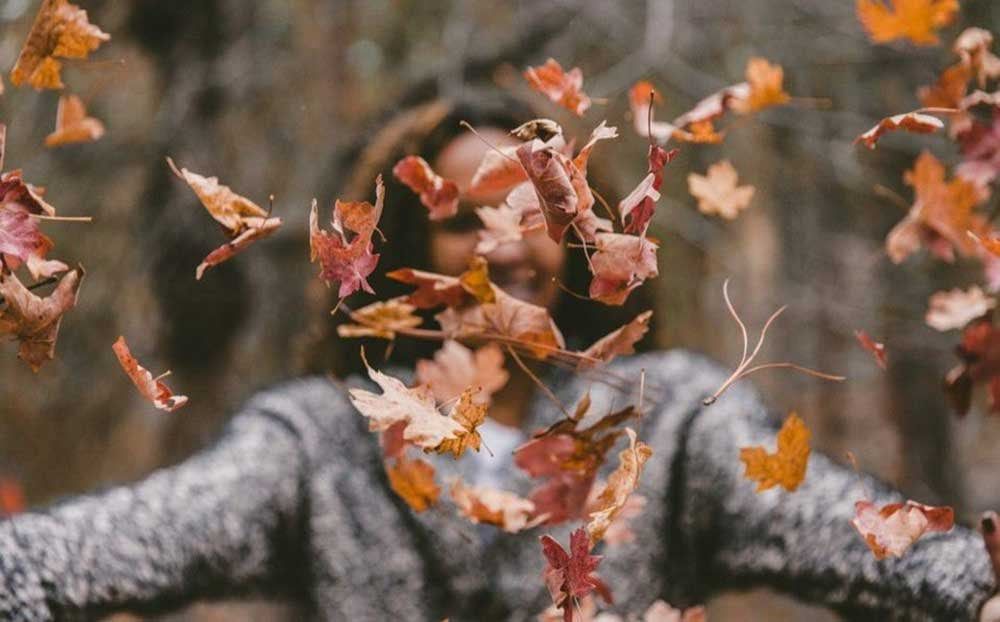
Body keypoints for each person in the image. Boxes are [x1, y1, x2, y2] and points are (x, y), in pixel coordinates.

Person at [1, 91, 998, 622]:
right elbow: (108, 546)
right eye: (460, 223)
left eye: (532, 211)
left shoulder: (670, 420)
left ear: (575, 234)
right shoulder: (319, 443)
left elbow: (852, 538)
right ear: (399, 254)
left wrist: (977, 582)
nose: (502, 244)